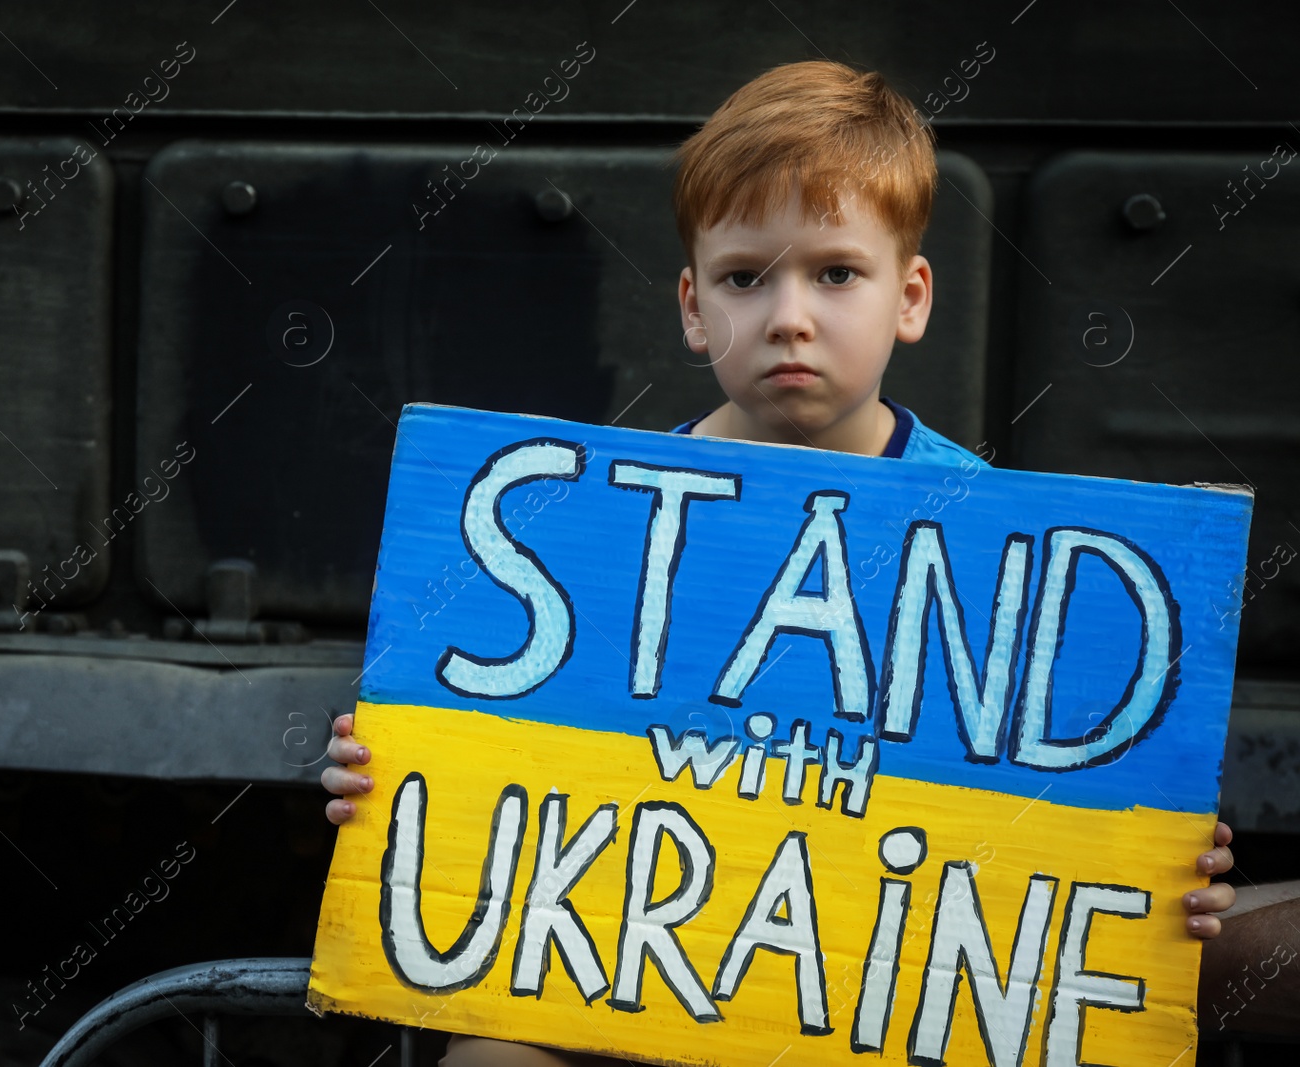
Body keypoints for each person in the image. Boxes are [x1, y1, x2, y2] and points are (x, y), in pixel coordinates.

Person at [322, 58, 1239, 1065]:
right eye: (744, 277)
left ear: (911, 294)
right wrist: (393, 769)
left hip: (864, 989)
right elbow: (495, 757)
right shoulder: (596, 517)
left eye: (836, 272)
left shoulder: (984, 533)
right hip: (627, 965)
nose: (788, 315)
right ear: (690, 304)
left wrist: (1156, 864)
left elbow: (1050, 789)